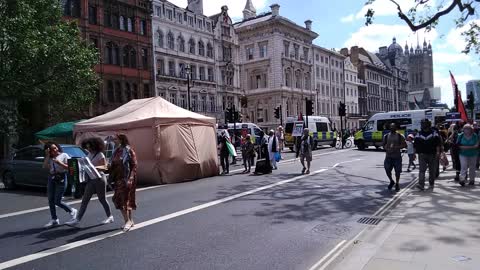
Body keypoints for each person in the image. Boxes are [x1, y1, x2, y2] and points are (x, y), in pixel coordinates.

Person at [66, 138, 114, 226]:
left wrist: (93, 168)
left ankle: (110, 216)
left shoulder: (100, 155)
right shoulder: (89, 154)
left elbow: (105, 167)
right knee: (85, 200)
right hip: (91, 179)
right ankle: (77, 220)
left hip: (99, 178)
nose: (88, 148)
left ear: (95, 145)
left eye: (90, 146)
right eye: (87, 147)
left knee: (102, 199)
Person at [42, 142, 77, 228]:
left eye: (56, 147)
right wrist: (47, 155)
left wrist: (59, 163)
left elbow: (71, 168)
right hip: (52, 178)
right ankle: (54, 219)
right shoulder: (49, 158)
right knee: (50, 199)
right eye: (53, 149)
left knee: (57, 200)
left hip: (61, 177)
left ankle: (72, 210)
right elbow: (44, 166)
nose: (56, 149)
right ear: (49, 151)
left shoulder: (64, 155)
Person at [109, 134, 138, 232]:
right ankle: (130, 220)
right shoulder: (116, 151)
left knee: (121, 199)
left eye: (115, 139)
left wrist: (130, 178)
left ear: (121, 140)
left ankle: (127, 221)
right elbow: (112, 164)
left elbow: (134, 166)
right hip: (117, 178)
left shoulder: (128, 150)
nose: (113, 140)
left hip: (126, 178)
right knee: (123, 199)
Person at [414, 119, 441, 191]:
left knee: (432, 170)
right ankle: (421, 184)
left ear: (428, 124)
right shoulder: (418, 134)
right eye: (422, 123)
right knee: (422, 170)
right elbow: (415, 144)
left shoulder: (434, 133)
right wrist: (414, 153)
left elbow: (438, 143)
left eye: (424, 123)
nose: (422, 125)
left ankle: (431, 184)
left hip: (432, 154)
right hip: (422, 155)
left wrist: (438, 152)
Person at [382, 123, 407, 192]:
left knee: (397, 172)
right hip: (388, 157)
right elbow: (383, 145)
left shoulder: (400, 136)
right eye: (391, 127)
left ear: (396, 128)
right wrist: (386, 147)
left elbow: (405, 145)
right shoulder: (386, 136)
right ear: (389, 128)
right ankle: (391, 181)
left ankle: (397, 183)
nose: (392, 128)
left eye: (393, 127)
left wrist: (396, 147)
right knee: (387, 170)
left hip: (397, 157)